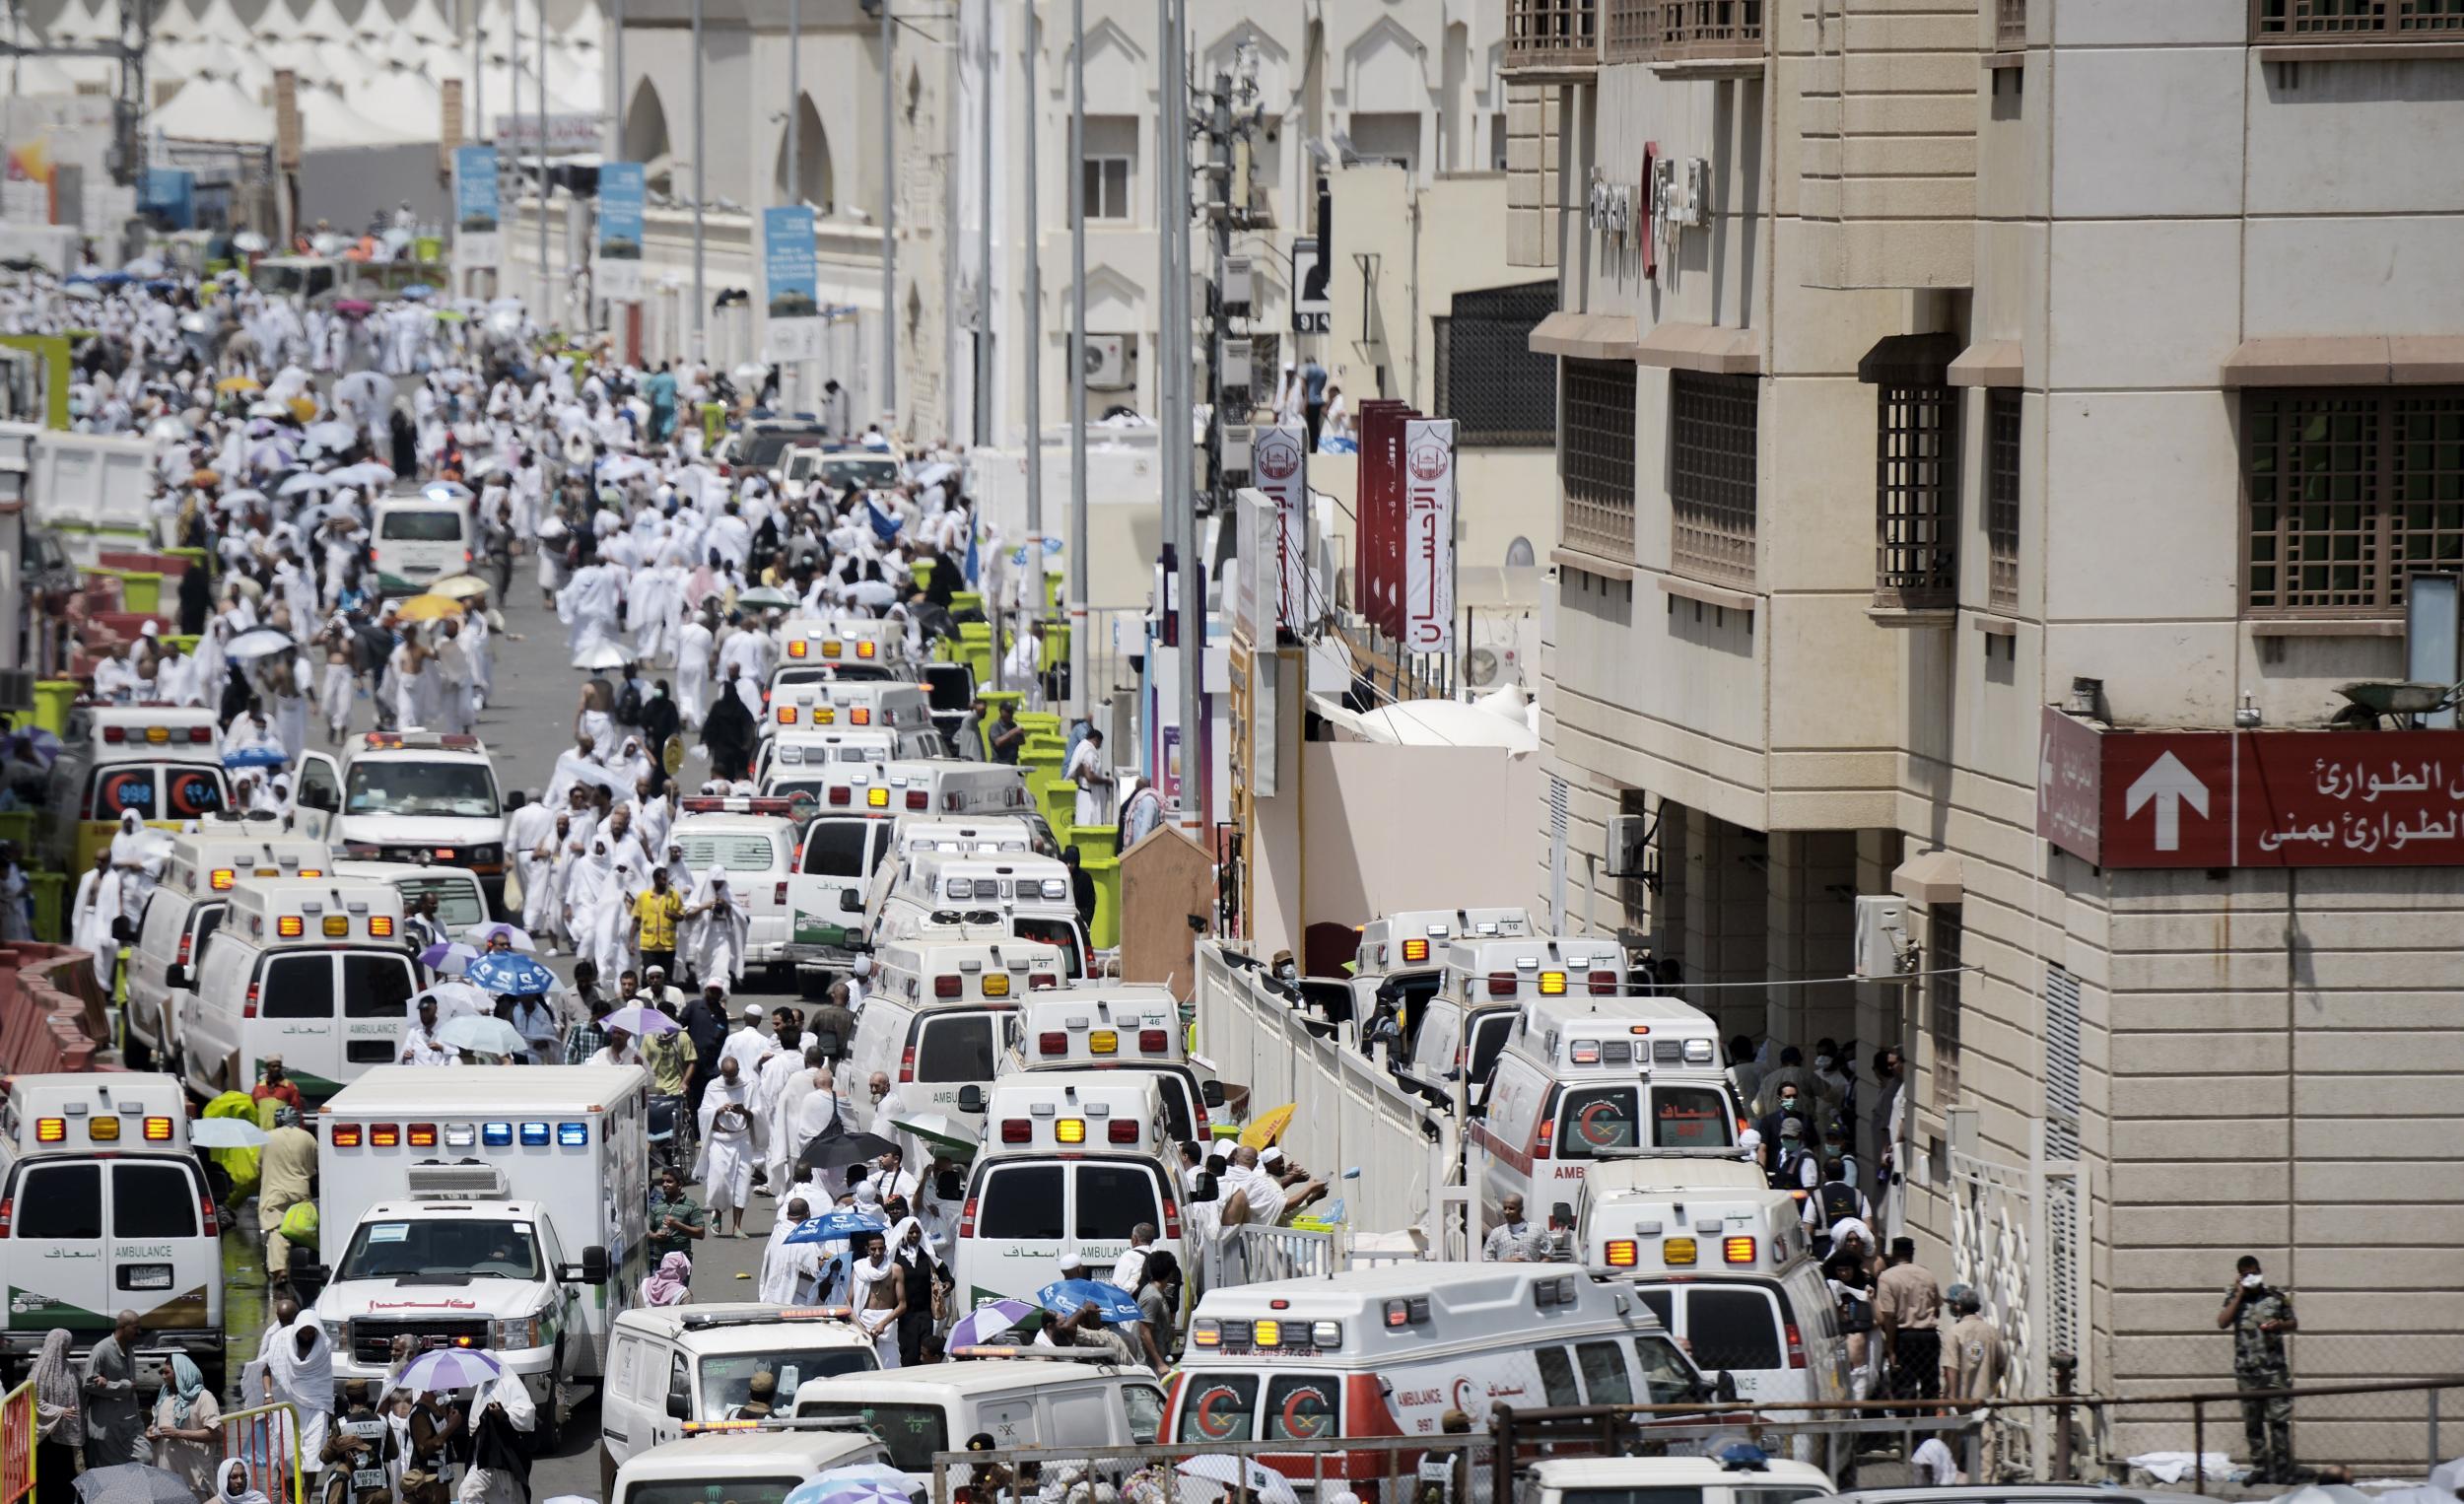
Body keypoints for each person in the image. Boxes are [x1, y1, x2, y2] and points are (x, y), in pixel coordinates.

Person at [2221, 1254, 2299, 1484]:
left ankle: (2283, 1469)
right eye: (2246, 1274)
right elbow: (2222, 1322)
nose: (2251, 1277)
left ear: (2260, 1271)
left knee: (2278, 1421)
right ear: (2239, 1276)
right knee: (2253, 1423)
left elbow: (2294, 1323)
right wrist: (2238, 1294)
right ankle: (2260, 1467)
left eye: (2254, 1272)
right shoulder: (2234, 1298)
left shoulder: (2275, 1297)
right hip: (2248, 1373)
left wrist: (2279, 1325)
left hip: (2274, 1371)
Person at [1942, 1284, 2007, 1479]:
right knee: (1986, 1450)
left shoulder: (1954, 1332)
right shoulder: (1991, 1332)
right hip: (1984, 1401)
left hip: (1959, 1402)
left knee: (1950, 1449)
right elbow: (2001, 1365)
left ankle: (1948, 1489)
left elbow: (1950, 1368)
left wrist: (1952, 1398)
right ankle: (1987, 1490)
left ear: (1959, 1307)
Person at [1874, 1236, 1943, 1405]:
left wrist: (1890, 1349)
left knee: (1905, 1388)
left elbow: (1889, 1317)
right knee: (1930, 1386)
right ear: (1912, 1253)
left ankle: (1908, 1429)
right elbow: (1938, 1310)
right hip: (1929, 1337)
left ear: (1894, 1254)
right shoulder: (1927, 1274)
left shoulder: (1887, 1277)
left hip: (1904, 1338)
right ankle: (1928, 1430)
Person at [698, 1057, 757, 1235]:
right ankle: (717, 1210)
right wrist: (718, 1110)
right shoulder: (713, 1086)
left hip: (742, 1139)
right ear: (721, 1073)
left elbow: (758, 1114)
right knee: (720, 1181)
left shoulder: (748, 1086)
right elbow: (703, 1111)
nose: (730, 1080)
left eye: (733, 1076)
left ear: (738, 1071)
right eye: (727, 1076)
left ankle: (737, 1226)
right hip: (720, 1140)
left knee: (742, 1182)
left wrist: (743, 1111)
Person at [148, 1352, 222, 1493]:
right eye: (162, 1372)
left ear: (180, 1373)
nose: (163, 1376)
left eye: (167, 1372)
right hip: (166, 1477)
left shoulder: (203, 1397)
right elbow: (156, 1424)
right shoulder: (165, 1397)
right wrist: (150, 1432)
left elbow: (216, 1433)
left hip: (195, 1478)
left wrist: (179, 1433)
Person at [261, 1103, 319, 1281]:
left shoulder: (266, 1137)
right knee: (302, 1228)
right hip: (301, 1192)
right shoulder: (308, 1138)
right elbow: (318, 1165)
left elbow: (258, 1165)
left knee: (277, 1230)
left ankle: (280, 1270)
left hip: (275, 1194)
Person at [460, 1369, 535, 1504]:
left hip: (504, 1461)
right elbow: (474, 1422)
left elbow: (526, 1415)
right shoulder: (482, 1389)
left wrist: (502, 1414)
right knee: (468, 1492)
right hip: (482, 1460)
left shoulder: (510, 1384)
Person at [81, 1309, 145, 1467]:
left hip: (131, 1420)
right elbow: (88, 1383)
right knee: (114, 1469)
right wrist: (122, 1386)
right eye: (135, 1327)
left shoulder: (130, 1348)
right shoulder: (101, 1350)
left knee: (145, 1457)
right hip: (108, 1423)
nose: (139, 1332)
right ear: (123, 1327)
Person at [321, 1378, 399, 1504]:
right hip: (381, 1491)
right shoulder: (382, 1422)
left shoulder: (341, 1424)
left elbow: (326, 1457)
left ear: (347, 1398)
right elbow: (393, 1453)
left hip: (353, 1492)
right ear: (367, 1397)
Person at [890, 1217, 952, 1366]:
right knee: (909, 1353)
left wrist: (948, 1283)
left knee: (925, 1354)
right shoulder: (895, 1255)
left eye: (918, 1232)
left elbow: (943, 1270)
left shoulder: (927, 1254)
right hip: (904, 1316)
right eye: (911, 1232)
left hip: (925, 1314)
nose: (914, 1236)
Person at [29, 1329, 77, 1504]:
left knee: (65, 1480)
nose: (69, 1349)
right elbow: (34, 1401)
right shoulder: (39, 1371)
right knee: (47, 1480)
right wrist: (59, 1411)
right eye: (67, 1345)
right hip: (46, 1438)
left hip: (64, 1437)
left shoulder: (69, 1368)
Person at [849, 1230, 905, 1368]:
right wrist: (860, 1327)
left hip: (887, 1323)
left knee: (890, 1366)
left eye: (881, 1248)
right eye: (873, 1249)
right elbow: (848, 1304)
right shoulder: (859, 1270)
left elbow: (902, 1305)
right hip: (864, 1322)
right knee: (865, 1368)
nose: (877, 1252)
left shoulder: (895, 1270)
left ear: (885, 1248)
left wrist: (883, 1323)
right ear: (867, 1249)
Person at [631, 862, 685, 980]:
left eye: (667, 879)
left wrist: (673, 916)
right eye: (663, 879)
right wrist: (630, 941)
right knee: (649, 978)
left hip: (668, 946)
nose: (666, 882)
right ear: (655, 879)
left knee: (666, 979)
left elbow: (681, 916)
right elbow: (636, 920)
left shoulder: (674, 895)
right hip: (649, 946)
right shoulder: (643, 897)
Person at [1132, 1250, 1182, 1371]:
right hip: (1150, 1366)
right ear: (1170, 1273)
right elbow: (1144, 1332)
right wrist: (1159, 1363)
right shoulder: (1152, 1296)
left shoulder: (1158, 1293)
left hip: (1160, 1357)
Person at [650, 1166, 708, 1262]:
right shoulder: (657, 1205)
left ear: (680, 1184)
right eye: (663, 1181)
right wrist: (655, 1236)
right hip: (659, 1261)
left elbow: (700, 1233)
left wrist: (676, 1224)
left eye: (669, 1181)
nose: (664, 1184)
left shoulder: (691, 1205)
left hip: (680, 1263)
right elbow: (646, 1231)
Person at [1062, 727, 1113, 827]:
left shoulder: (1082, 748)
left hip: (1085, 793)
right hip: (1089, 797)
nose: (1099, 746)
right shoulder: (1089, 752)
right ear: (1095, 739)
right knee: (1088, 823)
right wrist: (1106, 781)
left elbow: (1079, 772)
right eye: (1100, 743)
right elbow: (1089, 777)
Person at [1482, 1195, 1539, 1262]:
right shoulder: (1496, 1233)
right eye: (1505, 1208)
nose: (1507, 1212)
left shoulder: (1537, 1230)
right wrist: (1506, 1262)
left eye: (1511, 1208)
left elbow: (1549, 1256)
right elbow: (1486, 1259)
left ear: (1521, 1209)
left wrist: (1537, 1268)